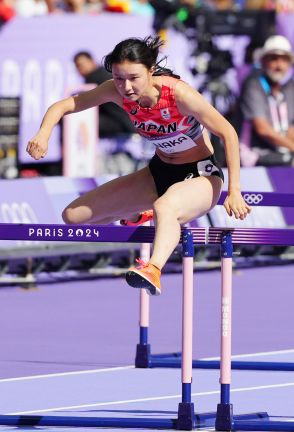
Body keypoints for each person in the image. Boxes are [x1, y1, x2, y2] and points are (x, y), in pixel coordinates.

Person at [27, 35, 251, 296]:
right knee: (73, 216)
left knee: (165, 206)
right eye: (120, 78)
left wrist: (235, 191)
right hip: (158, 172)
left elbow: (228, 133)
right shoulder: (114, 89)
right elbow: (65, 105)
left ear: (151, 71)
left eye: (134, 78)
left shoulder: (179, 94)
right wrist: (42, 134)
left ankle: (153, 269)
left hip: (200, 174)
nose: (126, 87)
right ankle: (138, 215)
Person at [238, 34, 294, 167]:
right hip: (255, 156)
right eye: (274, 59)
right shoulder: (254, 84)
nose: (279, 65)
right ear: (263, 61)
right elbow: (263, 129)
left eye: (284, 59)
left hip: (282, 153)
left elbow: (290, 129)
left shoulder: (289, 88)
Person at [73, 51, 136, 138]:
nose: (81, 68)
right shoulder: (104, 73)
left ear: (92, 61)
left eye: (82, 64)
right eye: (78, 66)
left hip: (120, 122)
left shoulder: (94, 78)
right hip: (129, 122)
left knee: (78, 120)